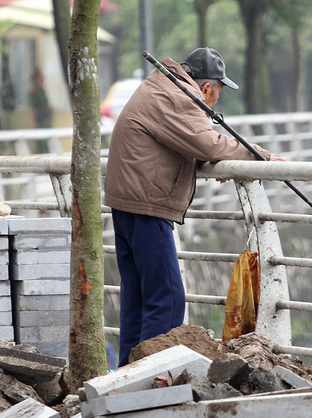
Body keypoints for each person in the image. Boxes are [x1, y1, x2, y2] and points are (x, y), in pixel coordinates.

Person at [104, 47, 280, 367]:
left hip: (127, 201)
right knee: (167, 298)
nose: (215, 101)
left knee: (137, 297)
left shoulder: (162, 86)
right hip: (147, 204)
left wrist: (212, 158)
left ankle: (126, 373)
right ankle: (156, 376)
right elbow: (207, 142)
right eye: (218, 92)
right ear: (206, 87)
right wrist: (258, 154)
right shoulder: (180, 97)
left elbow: (178, 140)